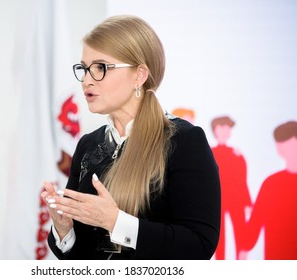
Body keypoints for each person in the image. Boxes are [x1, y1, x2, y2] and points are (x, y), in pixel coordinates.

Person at [42, 15, 221, 260]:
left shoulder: (184, 141)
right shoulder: (87, 146)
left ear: (139, 75)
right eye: (84, 69)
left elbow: (198, 246)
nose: (86, 80)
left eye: (100, 68)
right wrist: (65, 232)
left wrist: (116, 222)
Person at [240, 121, 297, 259]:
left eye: (288, 142)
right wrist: (243, 250)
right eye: (280, 143)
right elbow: (255, 223)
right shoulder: (270, 183)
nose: (282, 147)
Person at [210, 116, 252, 259]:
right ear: (216, 130)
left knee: (240, 232)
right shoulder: (209, 153)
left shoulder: (237, 154)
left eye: (229, 128)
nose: (227, 131)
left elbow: (242, 180)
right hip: (217, 200)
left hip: (236, 200)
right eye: (224, 127)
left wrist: (247, 202)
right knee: (218, 234)